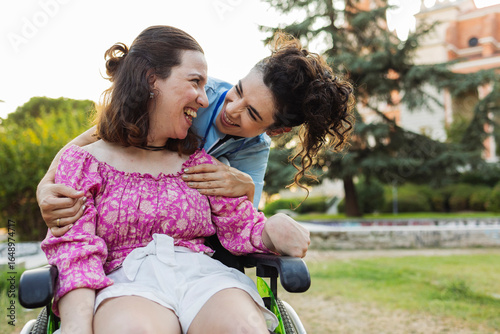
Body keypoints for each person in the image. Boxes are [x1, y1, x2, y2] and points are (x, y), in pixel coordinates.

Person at [41, 25, 310, 334]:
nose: (207, 101)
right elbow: (75, 252)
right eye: (195, 82)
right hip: (125, 279)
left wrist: (273, 228)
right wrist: (77, 325)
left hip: (204, 276)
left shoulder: (202, 163)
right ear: (150, 80)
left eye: (203, 84)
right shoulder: (85, 163)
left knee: (243, 327)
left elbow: (241, 227)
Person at [37, 31, 355, 236]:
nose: (232, 109)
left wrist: (244, 186)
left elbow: (243, 222)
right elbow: (98, 135)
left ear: (276, 129)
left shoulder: (255, 150)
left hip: (186, 233)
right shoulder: (195, 94)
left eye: (252, 113)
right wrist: (46, 185)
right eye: (239, 91)